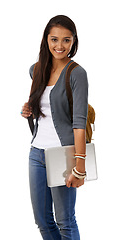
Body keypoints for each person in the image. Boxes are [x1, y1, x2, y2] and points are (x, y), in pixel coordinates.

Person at [21, 15, 88, 240]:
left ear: (73, 41)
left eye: (66, 40)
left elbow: (79, 123)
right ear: (46, 40)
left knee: (65, 221)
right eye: (54, 39)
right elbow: (40, 105)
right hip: (36, 154)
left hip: (62, 154)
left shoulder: (77, 73)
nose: (60, 46)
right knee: (42, 221)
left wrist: (79, 167)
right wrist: (28, 110)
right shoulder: (37, 69)